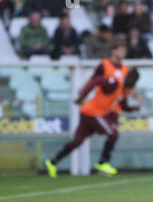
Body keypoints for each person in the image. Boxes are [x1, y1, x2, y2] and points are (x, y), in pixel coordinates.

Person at [45, 39, 140, 178]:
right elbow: (94, 81)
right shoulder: (105, 65)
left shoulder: (125, 69)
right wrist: (82, 96)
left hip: (93, 112)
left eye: (124, 50)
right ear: (113, 50)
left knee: (77, 141)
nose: (123, 52)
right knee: (113, 133)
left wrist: (131, 108)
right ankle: (103, 162)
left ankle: (52, 162)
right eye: (120, 49)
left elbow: (121, 96)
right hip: (94, 112)